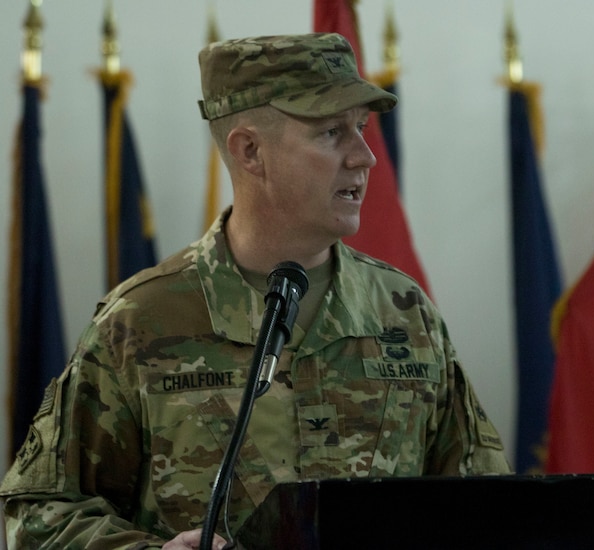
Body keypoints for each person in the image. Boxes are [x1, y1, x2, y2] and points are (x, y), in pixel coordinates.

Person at [0, 32, 511, 549]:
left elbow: (490, 509)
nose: (365, 157)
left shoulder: (405, 313)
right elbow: (37, 514)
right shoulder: (139, 322)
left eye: (361, 128)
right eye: (332, 132)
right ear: (249, 151)